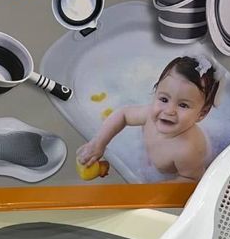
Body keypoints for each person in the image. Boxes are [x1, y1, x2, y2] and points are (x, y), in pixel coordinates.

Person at [76, 55, 220, 182]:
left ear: (201, 114)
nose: (169, 111)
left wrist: (157, 192)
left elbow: (192, 179)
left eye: (183, 105)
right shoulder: (149, 114)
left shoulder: (188, 151)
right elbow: (123, 115)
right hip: (149, 161)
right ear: (155, 92)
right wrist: (98, 143)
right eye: (164, 99)